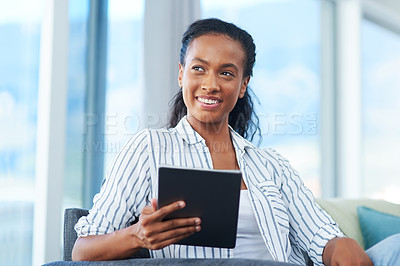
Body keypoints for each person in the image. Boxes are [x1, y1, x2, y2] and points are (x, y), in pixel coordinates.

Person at [72, 18, 399, 265]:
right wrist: (137, 236)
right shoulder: (149, 148)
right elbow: (81, 251)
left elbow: (322, 237)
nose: (211, 84)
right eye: (199, 69)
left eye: (226, 73)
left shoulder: (270, 164)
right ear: (181, 75)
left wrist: (342, 246)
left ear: (243, 85)